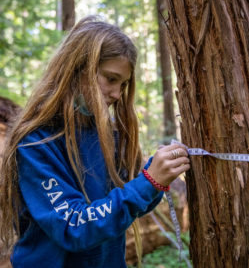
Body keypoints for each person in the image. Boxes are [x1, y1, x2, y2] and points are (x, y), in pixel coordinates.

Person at [0, 15, 190, 268]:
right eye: (110, 79)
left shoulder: (108, 135)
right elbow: (73, 226)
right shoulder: (36, 142)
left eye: (122, 85)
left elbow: (127, 206)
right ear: (76, 68)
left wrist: (155, 178)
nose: (116, 94)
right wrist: (148, 183)